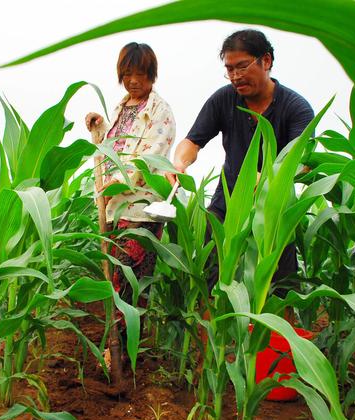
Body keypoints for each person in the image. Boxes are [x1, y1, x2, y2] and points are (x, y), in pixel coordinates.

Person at [170, 29, 314, 299]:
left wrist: (269, 177)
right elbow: (192, 141)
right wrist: (178, 163)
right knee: (209, 274)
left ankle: (274, 339)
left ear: (266, 61)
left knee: (279, 288)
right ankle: (213, 338)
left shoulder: (296, 108)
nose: (235, 76)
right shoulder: (224, 99)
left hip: (275, 213)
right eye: (229, 69)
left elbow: (303, 162)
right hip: (228, 202)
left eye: (242, 66)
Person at [85, 42, 175, 307]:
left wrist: (120, 181)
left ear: (152, 74)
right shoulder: (120, 109)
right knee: (115, 280)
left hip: (139, 211)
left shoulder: (160, 112)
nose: (133, 81)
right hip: (114, 207)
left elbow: (150, 155)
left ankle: (122, 347)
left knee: (129, 285)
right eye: (127, 74)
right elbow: (112, 150)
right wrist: (99, 127)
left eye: (141, 74)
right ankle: (115, 346)